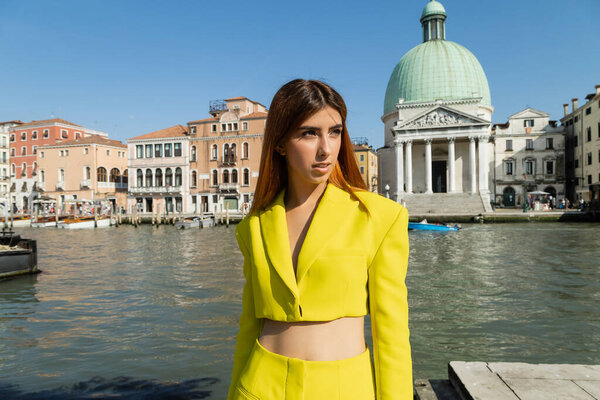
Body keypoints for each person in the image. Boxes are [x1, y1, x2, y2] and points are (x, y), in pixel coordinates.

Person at [228, 79, 412, 400]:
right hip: (258, 387)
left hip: (344, 390)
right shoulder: (253, 226)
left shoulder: (380, 217)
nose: (326, 148)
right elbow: (249, 328)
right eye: (309, 133)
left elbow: (392, 335)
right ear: (281, 143)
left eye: (335, 132)